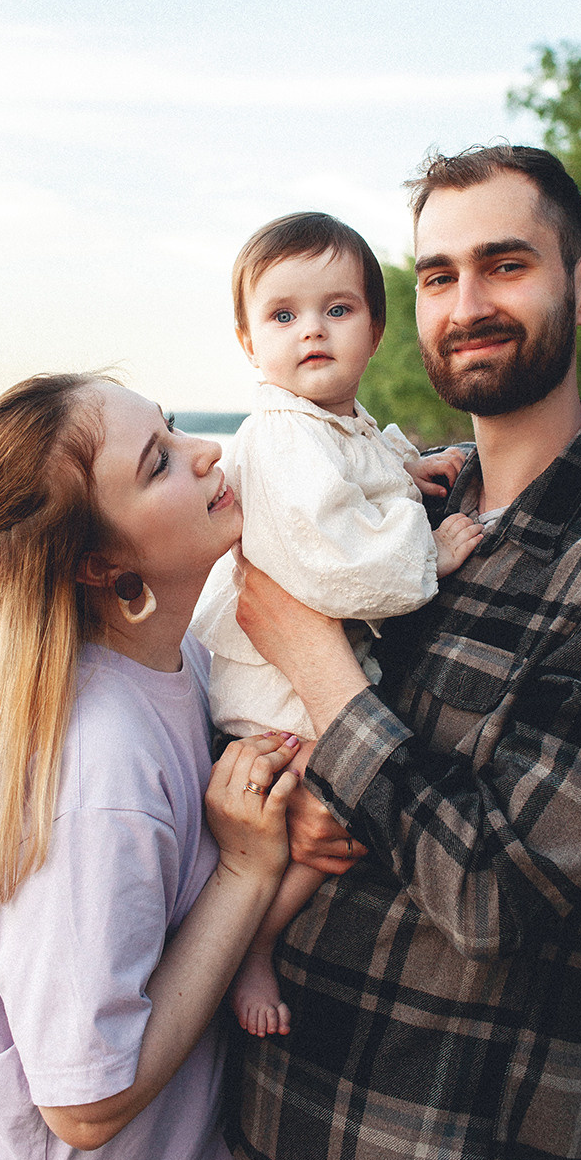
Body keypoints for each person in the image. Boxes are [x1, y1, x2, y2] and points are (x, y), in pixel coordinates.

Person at [225, 146, 581, 1160]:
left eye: (505, 265)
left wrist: (320, 670)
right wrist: (270, 801)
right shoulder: (398, 501)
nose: (466, 305)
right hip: (253, 1136)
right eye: (438, 276)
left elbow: (492, 894)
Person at [0, 372, 300, 1160]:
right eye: (158, 463)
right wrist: (248, 872)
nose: (207, 452)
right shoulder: (95, 766)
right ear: (100, 565)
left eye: (172, 429)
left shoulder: (182, 665)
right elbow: (84, 1102)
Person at [191, 212, 482, 1038]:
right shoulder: (280, 437)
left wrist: (411, 467)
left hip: (296, 665)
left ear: (375, 331)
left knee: (329, 811)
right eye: (283, 315)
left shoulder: (328, 423)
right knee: (335, 807)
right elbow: (338, 558)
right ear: (250, 342)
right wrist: (430, 552)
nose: (311, 331)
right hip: (273, 683)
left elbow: (360, 465)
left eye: (337, 309)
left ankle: (250, 935)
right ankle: (254, 945)